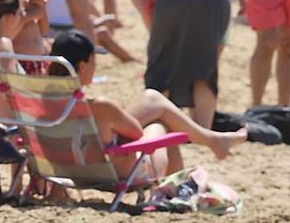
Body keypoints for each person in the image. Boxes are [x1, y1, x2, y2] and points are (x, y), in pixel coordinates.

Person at [47, 30, 247, 180]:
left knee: (151, 99)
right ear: (82, 66)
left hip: (68, 168)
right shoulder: (101, 107)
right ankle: (183, 179)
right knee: (162, 125)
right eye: (93, 61)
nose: (95, 67)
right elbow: (135, 133)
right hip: (116, 174)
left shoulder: (40, 101)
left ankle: (214, 141)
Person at [116, 0, 232, 128]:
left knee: (161, 67)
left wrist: (164, 45)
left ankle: (158, 124)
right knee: (205, 68)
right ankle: (203, 129)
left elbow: (150, 21)